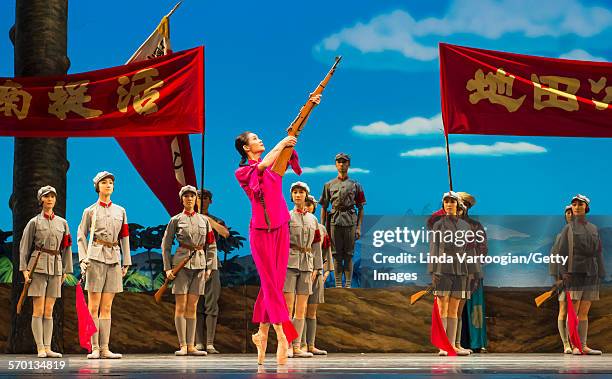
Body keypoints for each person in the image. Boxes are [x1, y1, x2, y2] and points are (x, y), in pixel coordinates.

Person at [234, 97, 319, 364]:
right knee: (270, 284)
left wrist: (311, 105)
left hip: (282, 228)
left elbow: (296, 131)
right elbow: (261, 166)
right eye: (256, 138)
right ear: (247, 148)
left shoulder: (274, 168)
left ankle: (261, 333)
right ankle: (282, 335)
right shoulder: (244, 172)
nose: (260, 140)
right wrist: (282, 143)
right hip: (260, 232)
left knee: (273, 285)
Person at [77, 171, 131, 359]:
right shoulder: (90, 211)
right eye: (104, 183)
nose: (108, 185)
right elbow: (81, 235)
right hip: (95, 258)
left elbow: (124, 236)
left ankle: (105, 348)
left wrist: (126, 261)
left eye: (110, 183)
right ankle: (94, 348)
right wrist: (83, 258)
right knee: (94, 306)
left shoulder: (120, 211)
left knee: (107, 307)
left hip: (114, 257)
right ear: (97, 187)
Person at [161, 185, 218, 356]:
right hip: (181, 265)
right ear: (182, 199)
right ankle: (183, 345)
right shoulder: (176, 220)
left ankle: (192, 345)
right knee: (181, 306)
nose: (189, 199)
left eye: (192, 196)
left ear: (196, 199)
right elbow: (166, 245)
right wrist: (167, 268)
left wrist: (209, 267)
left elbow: (211, 245)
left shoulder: (204, 221)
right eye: (186, 196)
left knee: (192, 306)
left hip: (200, 265)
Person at [19, 186, 73, 358]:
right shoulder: (34, 222)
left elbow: (67, 247)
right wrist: (24, 270)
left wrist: (66, 269)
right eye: (46, 196)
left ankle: (48, 347)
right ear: (41, 200)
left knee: (49, 310)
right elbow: (24, 247)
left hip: (56, 267)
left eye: (52, 196)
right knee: (38, 309)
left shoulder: (63, 223)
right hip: (38, 266)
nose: (50, 199)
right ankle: (40, 347)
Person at [556, 194, 605, 355]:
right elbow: (561, 253)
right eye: (574, 204)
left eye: (580, 205)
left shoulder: (593, 228)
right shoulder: (567, 228)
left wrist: (602, 270)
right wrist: (563, 273)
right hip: (574, 272)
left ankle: (583, 345)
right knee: (573, 311)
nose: (576, 207)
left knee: (584, 311)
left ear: (586, 208)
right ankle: (573, 344)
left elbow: (598, 252)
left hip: (591, 272)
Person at [428, 191, 471, 356]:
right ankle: (442, 345)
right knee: (442, 306)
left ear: (458, 205)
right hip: (443, 268)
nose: (448, 204)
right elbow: (434, 249)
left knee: (454, 308)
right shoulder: (438, 225)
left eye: (452, 202)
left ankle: (452, 345)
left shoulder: (465, 226)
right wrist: (433, 270)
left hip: (460, 269)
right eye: (446, 202)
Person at [284, 182, 320, 358]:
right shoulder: (286, 217)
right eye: (295, 192)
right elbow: (280, 242)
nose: (298, 195)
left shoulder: (313, 220)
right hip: (289, 263)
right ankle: (288, 345)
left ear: (306, 195)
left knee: (301, 309)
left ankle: (297, 346)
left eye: (301, 192)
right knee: (288, 307)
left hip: (307, 264)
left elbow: (316, 245)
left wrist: (317, 268)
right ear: (291, 196)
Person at [319, 153, 366, 288]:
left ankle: (348, 285)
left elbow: (361, 207)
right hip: (334, 221)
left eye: (344, 162)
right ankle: (339, 284)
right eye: (339, 162)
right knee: (336, 254)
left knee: (349, 255)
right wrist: (322, 228)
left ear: (348, 164)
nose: (341, 164)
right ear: (335, 164)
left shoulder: (356, 185)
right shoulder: (328, 185)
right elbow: (324, 206)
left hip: (350, 221)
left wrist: (358, 227)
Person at [195, 188, 229, 354]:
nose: (202, 201)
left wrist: (207, 219)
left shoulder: (216, 220)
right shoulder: (189, 218)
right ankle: (198, 343)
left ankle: (209, 342)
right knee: (195, 305)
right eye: (199, 197)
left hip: (212, 263)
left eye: (205, 198)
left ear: (210, 201)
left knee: (211, 304)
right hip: (193, 263)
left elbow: (225, 233)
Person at [300, 194, 333, 355]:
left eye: (310, 204)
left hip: (317, 272)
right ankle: (300, 345)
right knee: (300, 309)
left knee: (312, 311)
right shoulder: (294, 223)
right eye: (305, 204)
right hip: (301, 270)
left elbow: (325, 251)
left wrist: (325, 270)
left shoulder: (321, 228)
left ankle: (311, 344)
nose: (307, 207)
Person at [457, 192, 488, 353]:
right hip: (454, 274)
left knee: (475, 308)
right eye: (460, 204)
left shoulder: (476, 226)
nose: (462, 208)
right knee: (455, 309)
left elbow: (483, 249)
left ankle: (477, 342)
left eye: (465, 205)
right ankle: (456, 342)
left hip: (473, 274)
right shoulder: (447, 225)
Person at [549, 205, 573, 354]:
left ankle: (576, 342)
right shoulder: (560, 236)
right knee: (563, 310)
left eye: (572, 212)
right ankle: (566, 343)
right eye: (568, 212)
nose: (571, 214)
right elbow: (555, 258)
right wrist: (559, 277)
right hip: (565, 279)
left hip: (581, 279)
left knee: (575, 313)